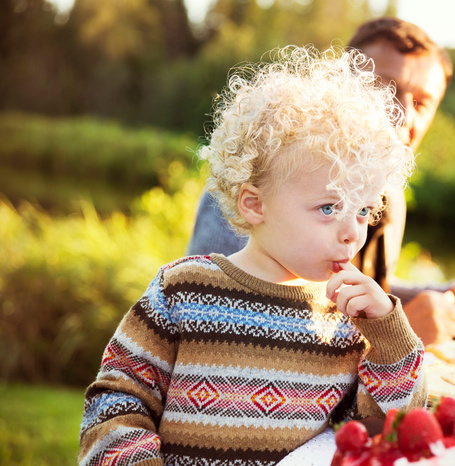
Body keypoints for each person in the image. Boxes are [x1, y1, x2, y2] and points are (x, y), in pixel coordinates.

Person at [79, 46, 425, 465]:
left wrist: (389, 334)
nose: (354, 231)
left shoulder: (345, 321)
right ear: (254, 204)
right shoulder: (184, 291)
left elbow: (388, 432)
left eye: (365, 210)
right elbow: (116, 400)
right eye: (329, 208)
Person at [186, 17, 455, 345]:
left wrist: (449, 294)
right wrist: (401, 332)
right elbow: (222, 312)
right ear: (342, 84)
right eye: (384, 88)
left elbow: (354, 284)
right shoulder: (263, 182)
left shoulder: (389, 199)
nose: (401, 114)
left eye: (421, 102)